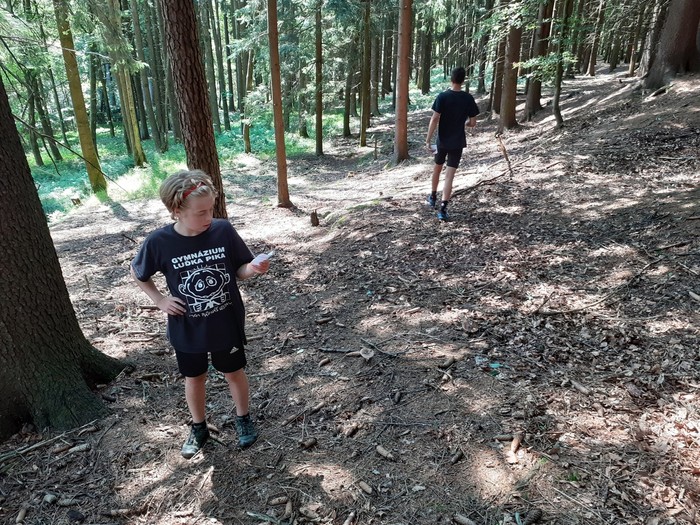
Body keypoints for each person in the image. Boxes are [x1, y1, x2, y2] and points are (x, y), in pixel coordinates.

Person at [131, 169, 270, 459]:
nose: (209, 217)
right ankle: (198, 427)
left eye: (211, 210)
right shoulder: (159, 242)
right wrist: (159, 300)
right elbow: (139, 272)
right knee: (194, 377)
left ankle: (243, 419)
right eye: (201, 213)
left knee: (234, 372)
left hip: (225, 322)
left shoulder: (223, 230)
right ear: (176, 211)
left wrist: (253, 268)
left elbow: (240, 270)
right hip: (187, 328)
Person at [425, 66, 480, 221]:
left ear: (451, 78)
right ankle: (443, 210)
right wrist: (463, 123)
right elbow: (473, 122)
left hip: (441, 141)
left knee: (437, 169)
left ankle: (433, 197)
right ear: (463, 80)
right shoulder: (468, 98)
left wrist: (428, 139)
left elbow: (435, 118)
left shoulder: (442, 96)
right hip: (458, 142)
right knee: (449, 176)